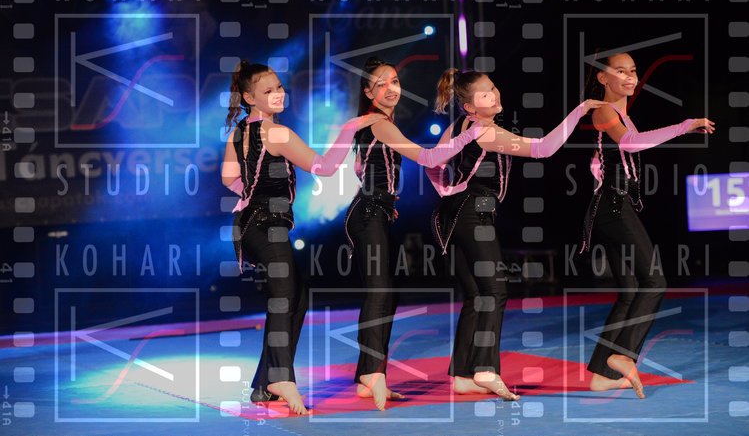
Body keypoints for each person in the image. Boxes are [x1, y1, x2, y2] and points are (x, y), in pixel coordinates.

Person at [429, 68, 607, 400]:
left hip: (453, 214)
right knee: (495, 290)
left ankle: (463, 375)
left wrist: (448, 191)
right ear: (470, 106)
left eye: (493, 87)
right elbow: (543, 148)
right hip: (473, 213)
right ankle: (485, 368)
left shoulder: (459, 126)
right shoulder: (485, 131)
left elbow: (432, 164)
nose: (494, 94)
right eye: (485, 93)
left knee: (476, 295)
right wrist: (579, 111)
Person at [221, 60, 384, 414]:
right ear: (249, 98)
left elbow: (229, 178)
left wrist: (251, 195)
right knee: (285, 295)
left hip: (249, 226)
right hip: (267, 226)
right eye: (268, 91)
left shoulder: (237, 132)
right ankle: (281, 377)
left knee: (297, 293)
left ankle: (264, 384)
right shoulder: (277, 133)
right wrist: (349, 127)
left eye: (279, 87)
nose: (278, 94)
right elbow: (324, 167)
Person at [344, 57, 487, 410]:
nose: (391, 88)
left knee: (387, 295)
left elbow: (367, 167)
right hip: (367, 213)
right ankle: (371, 375)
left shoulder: (377, 123)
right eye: (381, 84)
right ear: (368, 92)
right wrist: (470, 133)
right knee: (379, 293)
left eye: (394, 81)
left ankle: (368, 375)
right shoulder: (379, 124)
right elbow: (427, 159)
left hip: (377, 213)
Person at [580, 50, 714, 398]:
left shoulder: (622, 115)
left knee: (630, 292)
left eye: (633, 70)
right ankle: (623, 356)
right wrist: (684, 126)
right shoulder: (604, 111)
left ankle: (603, 374)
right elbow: (630, 143)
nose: (629, 76)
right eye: (620, 71)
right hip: (612, 205)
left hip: (614, 206)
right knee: (654, 281)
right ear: (603, 78)